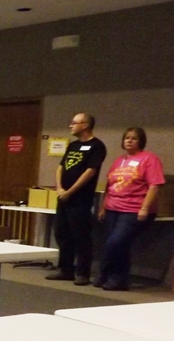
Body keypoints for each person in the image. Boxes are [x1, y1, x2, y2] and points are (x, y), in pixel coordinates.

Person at [95, 127, 165, 291]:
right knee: (117, 244)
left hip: (134, 210)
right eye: (127, 138)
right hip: (113, 208)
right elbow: (109, 186)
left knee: (116, 242)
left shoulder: (149, 159)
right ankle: (111, 276)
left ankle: (113, 275)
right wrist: (103, 207)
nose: (129, 141)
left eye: (134, 138)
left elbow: (154, 185)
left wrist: (145, 208)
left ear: (141, 141)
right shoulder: (119, 161)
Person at [46, 113, 107, 285]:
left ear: (85, 125)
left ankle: (82, 273)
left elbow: (90, 172)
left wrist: (71, 191)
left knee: (80, 236)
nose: (70, 126)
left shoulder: (97, 146)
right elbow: (61, 167)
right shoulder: (73, 145)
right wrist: (60, 188)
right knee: (61, 233)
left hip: (80, 199)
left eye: (74, 123)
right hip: (63, 197)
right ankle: (65, 269)